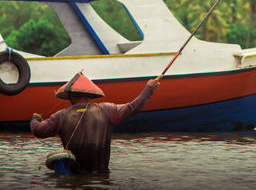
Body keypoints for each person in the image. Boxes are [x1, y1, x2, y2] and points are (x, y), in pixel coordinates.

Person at [30, 71, 160, 174]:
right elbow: (132, 108)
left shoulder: (60, 116)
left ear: (70, 96)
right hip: (101, 177)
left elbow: (38, 131)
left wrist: (35, 118)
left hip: (75, 178)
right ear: (90, 95)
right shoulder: (107, 110)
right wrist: (148, 89)